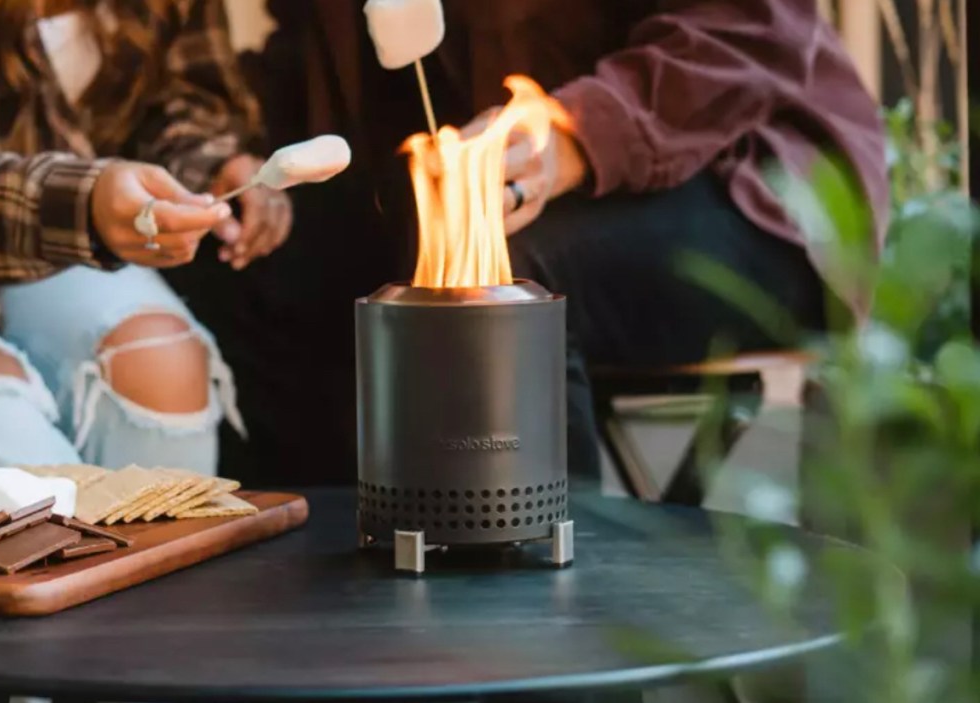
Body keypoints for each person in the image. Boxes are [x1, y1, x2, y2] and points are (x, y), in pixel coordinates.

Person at [174, 0, 887, 485]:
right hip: (444, 199)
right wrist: (243, 159)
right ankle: (338, 635)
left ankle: (544, 652)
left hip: (747, 185)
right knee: (239, 272)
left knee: (495, 278)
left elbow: (742, 33)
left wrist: (575, 136)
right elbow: (309, 55)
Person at [0, 0, 291, 473]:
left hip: (59, 240)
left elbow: (180, 94)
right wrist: (85, 204)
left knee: (161, 362)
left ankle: (166, 548)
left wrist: (211, 164)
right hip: (18, 223)